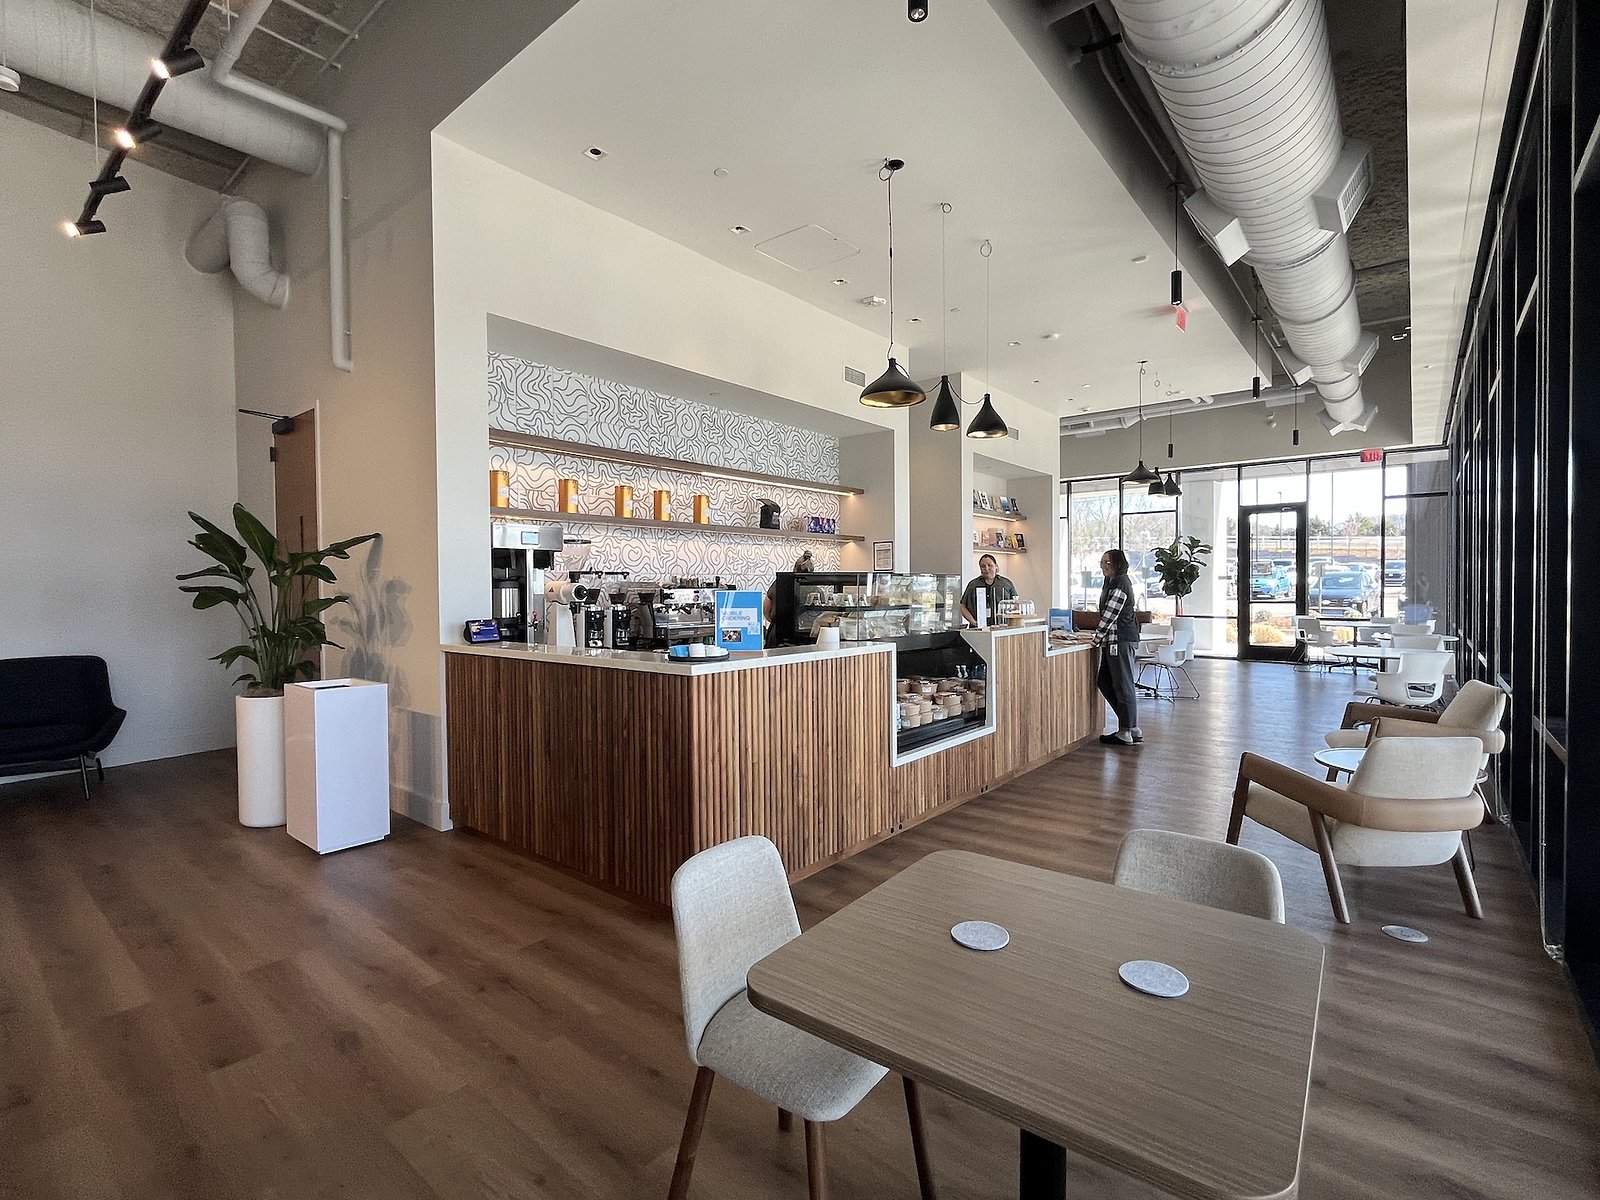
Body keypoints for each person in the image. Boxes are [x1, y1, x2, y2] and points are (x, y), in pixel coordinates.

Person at [1093, 548, 1142, 746]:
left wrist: (1096, 639)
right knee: (1104, 681)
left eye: (1108, 562)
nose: (1103, 565)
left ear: (1118, 564)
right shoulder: (1110, 582)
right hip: (1113, 640)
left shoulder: (1121, 583)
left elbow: (1110, 614)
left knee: (1123, 685)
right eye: (1102, 562)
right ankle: (1131, 727)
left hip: (1120, 640)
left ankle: (1126, 731)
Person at [960, 553, 1018, 627]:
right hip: (979, 628)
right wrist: (973, 622)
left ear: (996, 566)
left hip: (1002, 627)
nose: (986, 568)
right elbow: (963, 606)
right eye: (983, 566)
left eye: (989, 565)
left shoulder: (1006, 583)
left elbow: (1016, 604)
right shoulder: (973, 585)